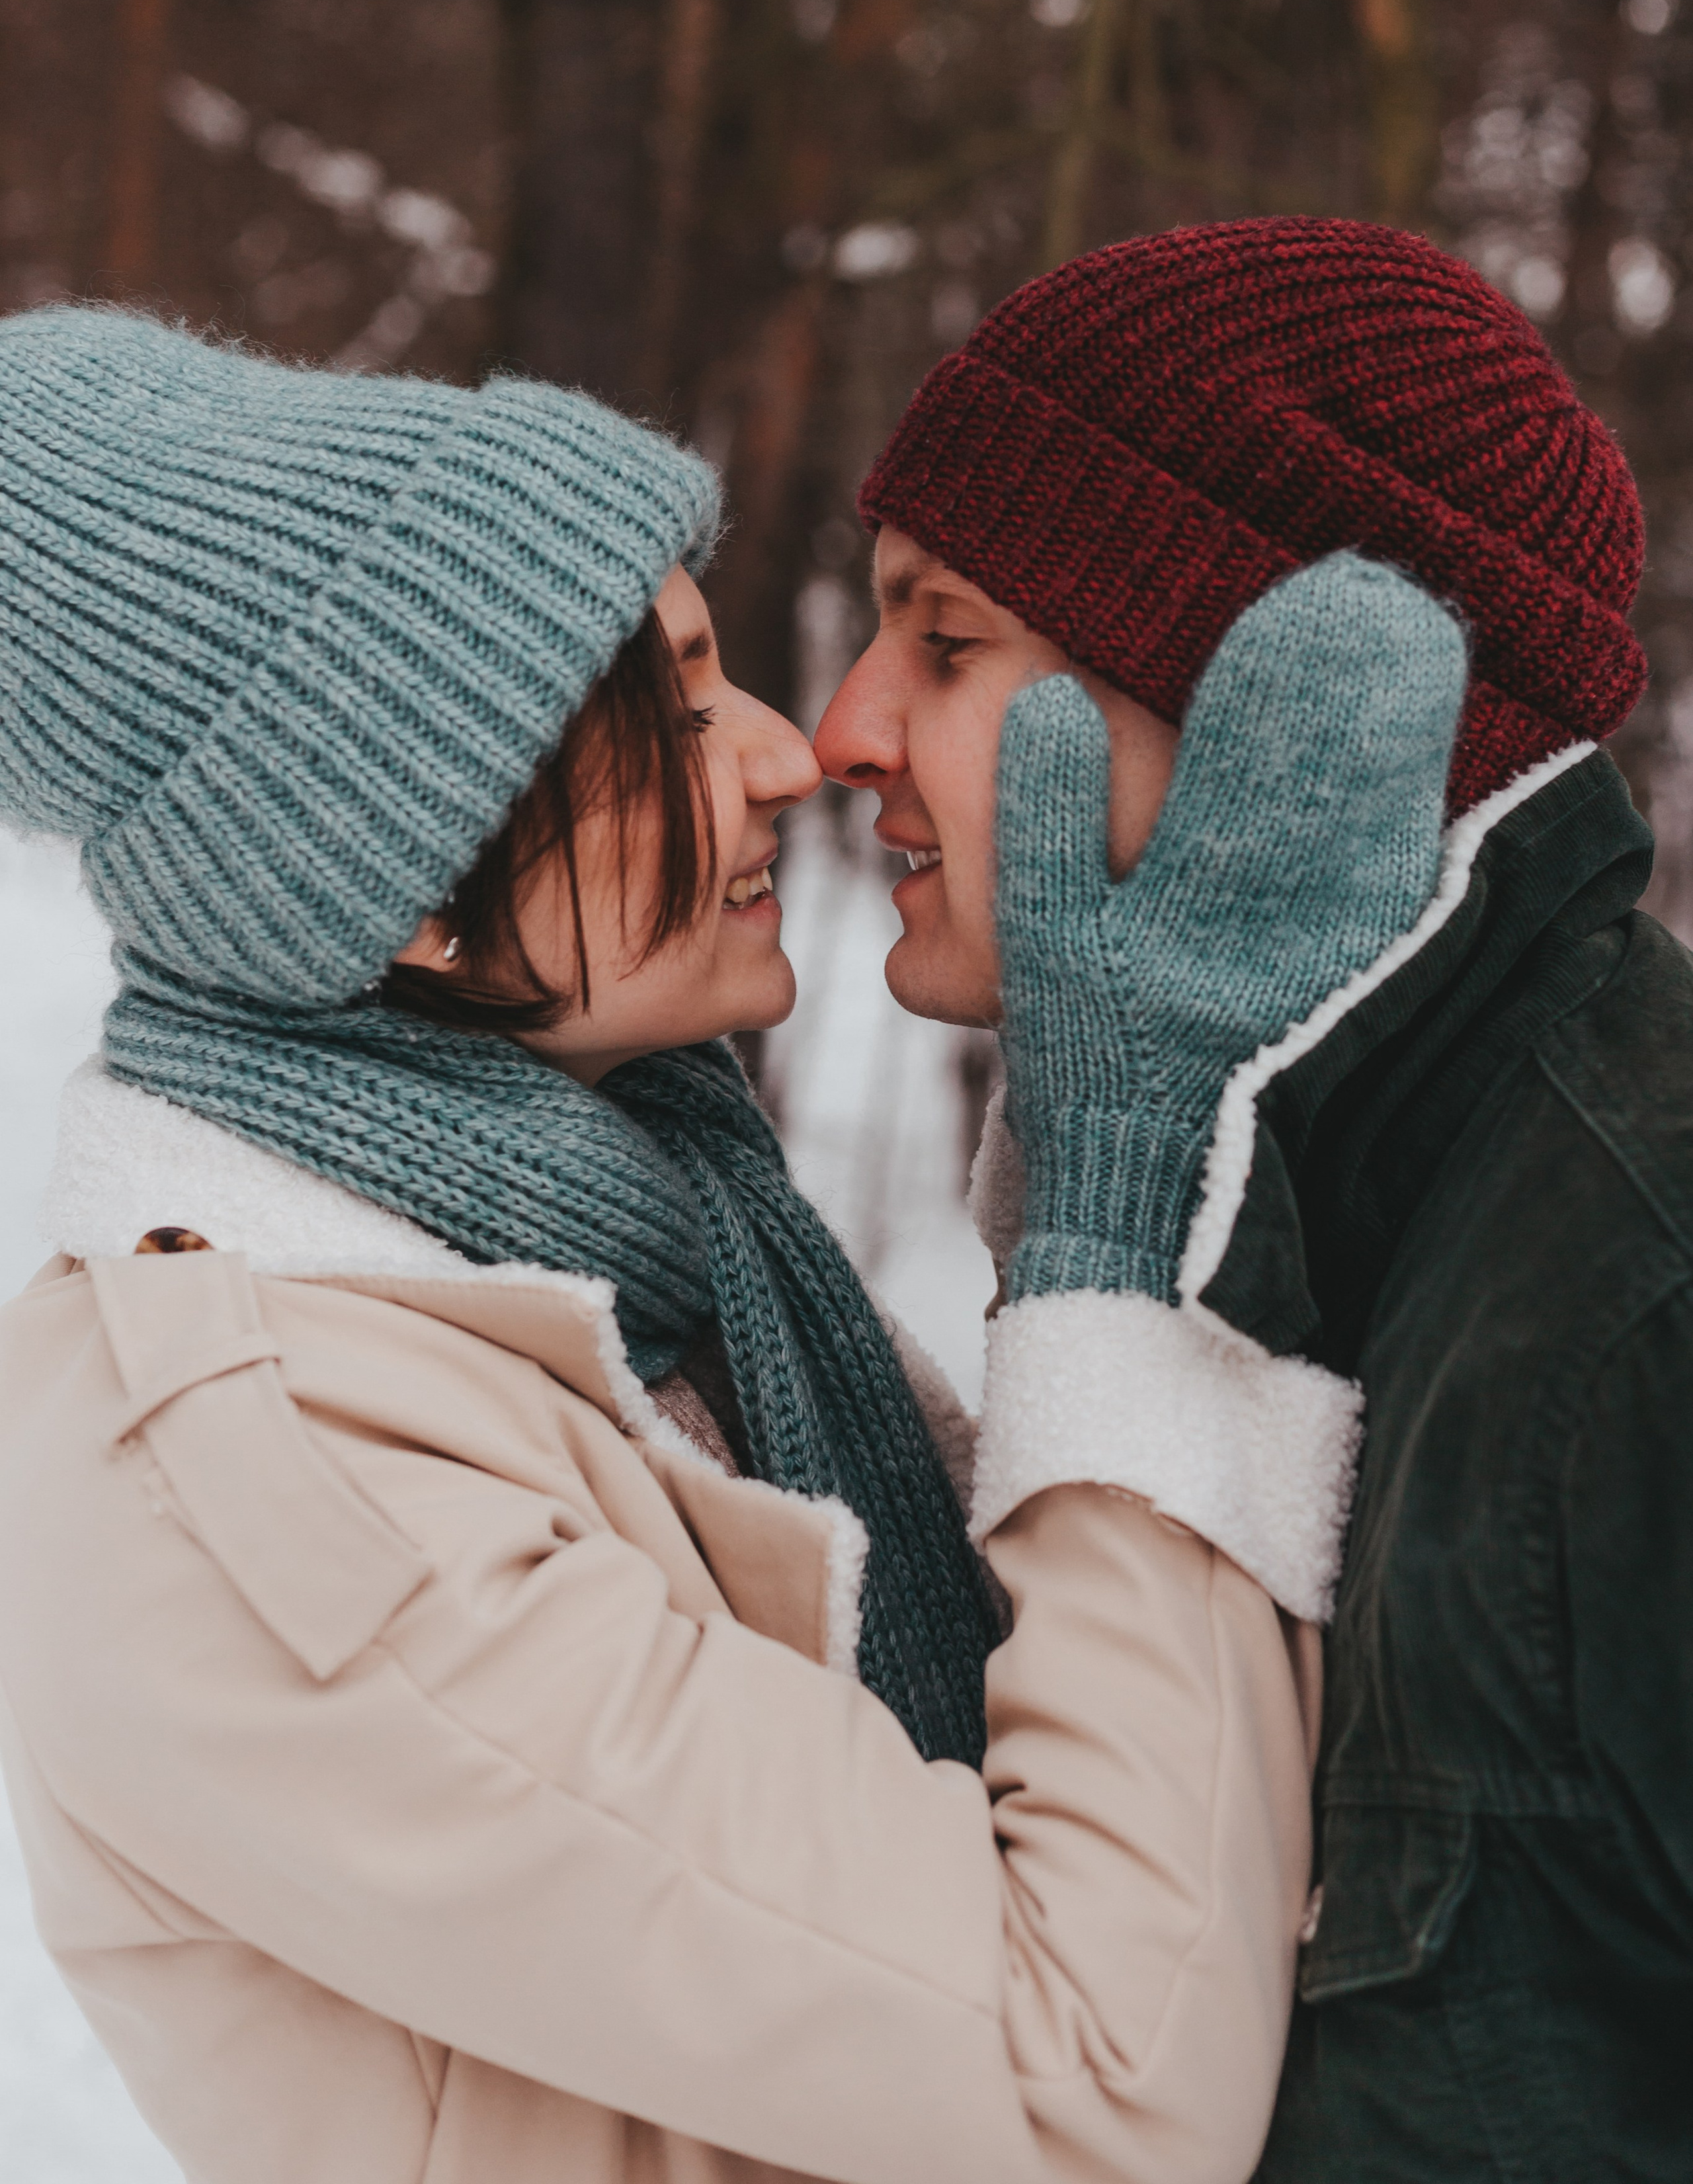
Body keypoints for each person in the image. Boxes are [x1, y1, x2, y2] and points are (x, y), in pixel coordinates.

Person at [0, 300, 1439, 2184]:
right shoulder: (276, 1486)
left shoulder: (631, 1241)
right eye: (667, 713)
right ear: (411, 889)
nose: (780, 754)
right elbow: (1090, 2081)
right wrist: (1109, 1233)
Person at [815, 216, 1688, 2179]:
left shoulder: (1634, 1302)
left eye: (945, 640)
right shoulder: (1308, 1231)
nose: (843, 733)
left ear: (1279, 709)